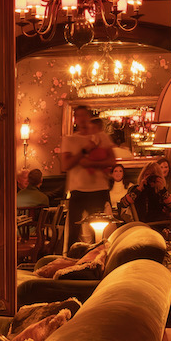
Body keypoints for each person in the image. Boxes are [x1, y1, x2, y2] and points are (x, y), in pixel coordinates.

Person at [61, 105, 115, 249]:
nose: (82, 119)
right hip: (78, 190)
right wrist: (84, 150)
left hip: (99, 189)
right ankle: (72, 263)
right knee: (74, 231)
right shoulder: (70, 140)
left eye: (85, 115)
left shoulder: (102, 137)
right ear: (75, 119)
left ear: (89, 117)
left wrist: (91, 163)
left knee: (101, 233)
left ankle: (100, 261)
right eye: (78, 116)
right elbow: (65, 165)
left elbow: (112, 161)